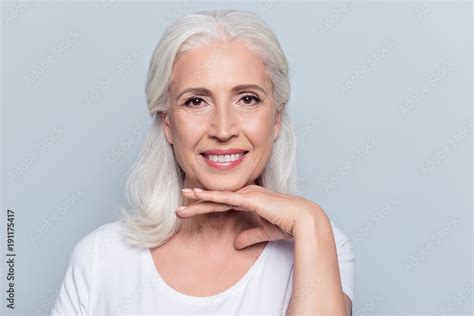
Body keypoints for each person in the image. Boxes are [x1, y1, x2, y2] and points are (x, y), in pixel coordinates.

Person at [52, 8, 355, 315]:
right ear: (168, 123)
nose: (223, 130)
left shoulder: (316, 244)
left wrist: (310, 221)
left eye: (247, 99)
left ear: (276, 119)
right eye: (196, 101)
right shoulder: (99, 258)